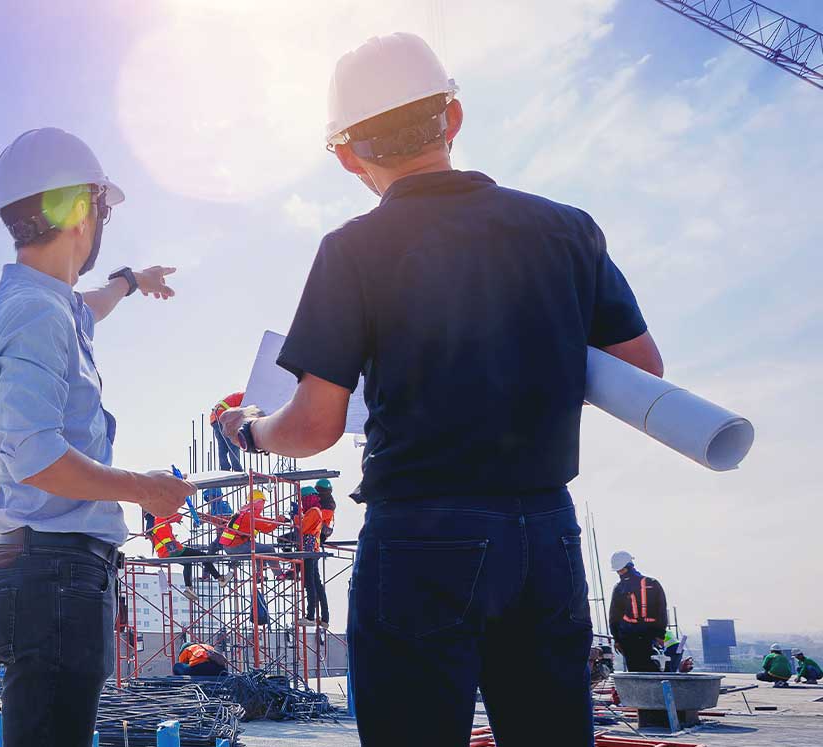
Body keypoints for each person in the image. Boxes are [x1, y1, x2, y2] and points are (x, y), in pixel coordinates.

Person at [215, 31, 663, 746]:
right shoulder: (567, 230)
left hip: (422, 537)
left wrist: (251, 427)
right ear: (453, 118)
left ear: (345, 153)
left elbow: (316, 424)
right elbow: (643, 371)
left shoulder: (355, 249)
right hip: (545, 532)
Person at [0, 127, 195, 747]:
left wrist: (129, 278)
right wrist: (143, 491)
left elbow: (87, 306)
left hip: (47, 574)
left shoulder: (44, 302)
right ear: (79, 212)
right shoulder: (40, 312)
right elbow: (38, 456)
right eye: (99, 211)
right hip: (55, 578)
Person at [608, 551, 669, 673]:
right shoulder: (652, 583)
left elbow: (614, 617)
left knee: (637, 672)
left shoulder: (619, 588)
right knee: (653, 670)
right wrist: (660, 634)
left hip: (630, 637)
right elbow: (661, 611)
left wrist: (617, 639)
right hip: (648, 636)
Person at [147, 514, 224, 595]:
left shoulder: (152, 526)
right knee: (203, 556)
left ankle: (188, 587)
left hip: (163, 553)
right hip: (173, 549)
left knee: (187, 563)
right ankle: (220, 578)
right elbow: (178, 516)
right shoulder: (160, 517)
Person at [297, 490, 328, 625]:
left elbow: (302, 528)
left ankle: (310, 616)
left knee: (310, 583)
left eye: (303, 499)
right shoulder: (314, 511)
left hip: (309, 551)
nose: (302, 502)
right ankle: (325, 618)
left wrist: (295, 517)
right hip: (312, 550)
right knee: (317, 584)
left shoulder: (314, 511)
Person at [208, 392, 245, 471]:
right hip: (222, 417)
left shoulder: (239, 396)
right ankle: (237, 468)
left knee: (222, 446)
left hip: (214, 418)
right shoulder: (246, 398)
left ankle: (224, 468)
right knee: (233, 443)